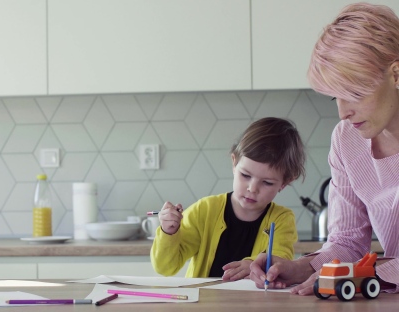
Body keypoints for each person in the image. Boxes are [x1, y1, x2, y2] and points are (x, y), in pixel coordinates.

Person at [250, 2, 399, 295]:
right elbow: (348, 241)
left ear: (396, 74)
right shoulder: (347, 140)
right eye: (335, 98)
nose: (343, 112)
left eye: (354, 93)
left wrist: (361, 278)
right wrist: (301, 268)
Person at [151, 117, 306, 280]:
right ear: (234, 163)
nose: (252, 189)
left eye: (267, 182)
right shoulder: (205, 210)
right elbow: (165, 268)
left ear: (284, 183)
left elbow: (280, 264)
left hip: (256, 305)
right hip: (203, 303)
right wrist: (168, 232)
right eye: (245, 175)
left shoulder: (282, 220)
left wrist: (254, 265)